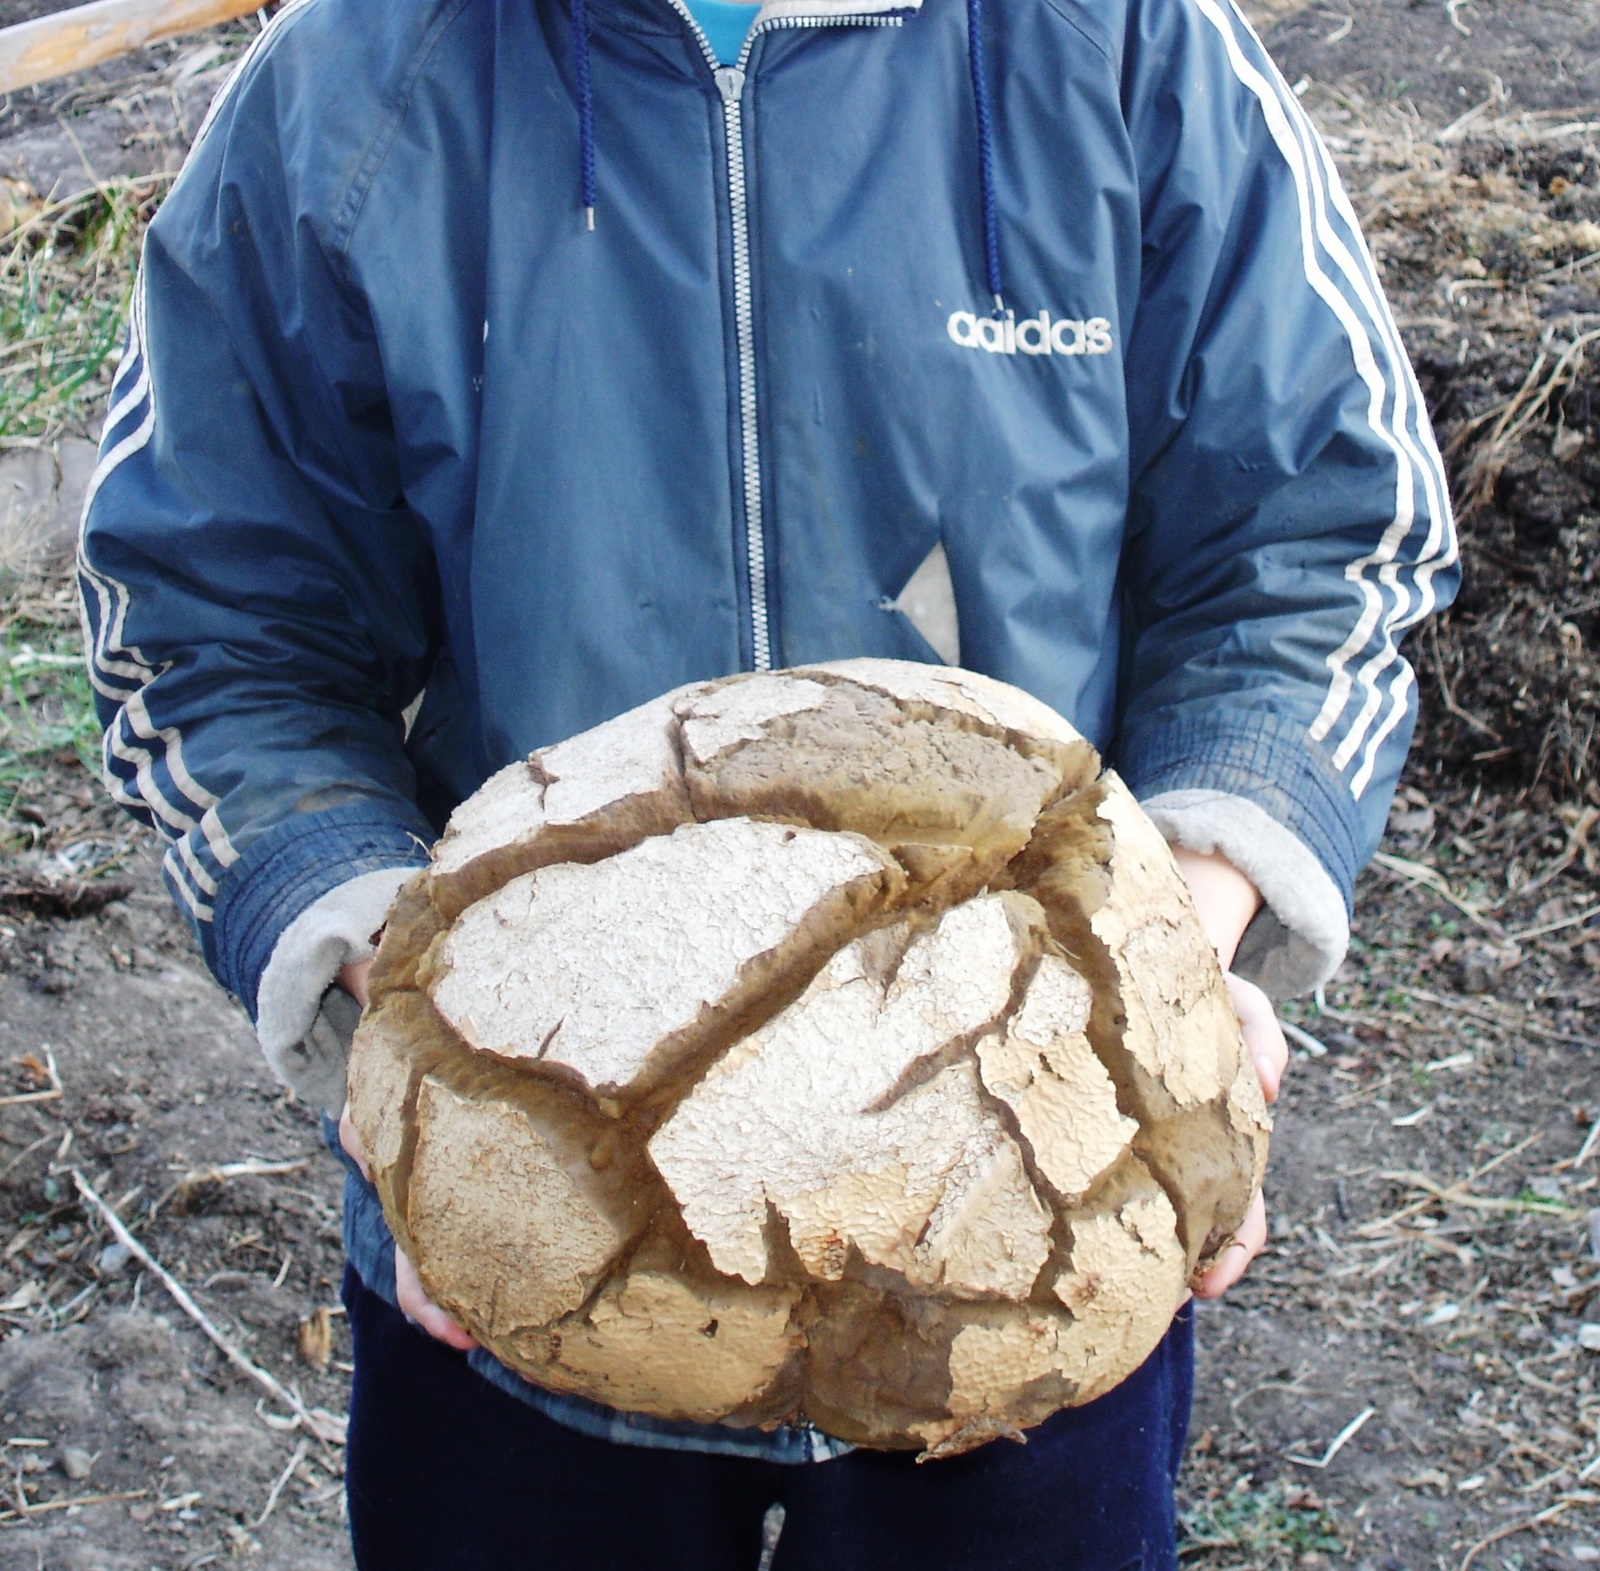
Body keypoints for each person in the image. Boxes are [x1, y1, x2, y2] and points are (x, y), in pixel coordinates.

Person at [77, 0, 1457, 1557]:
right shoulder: (359, 77)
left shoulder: (1127, 45)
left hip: (1018, 1262)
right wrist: (402, 1033)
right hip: (532, 1274)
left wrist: (1160, 963)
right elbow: (212, 619)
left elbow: (1317, 545)